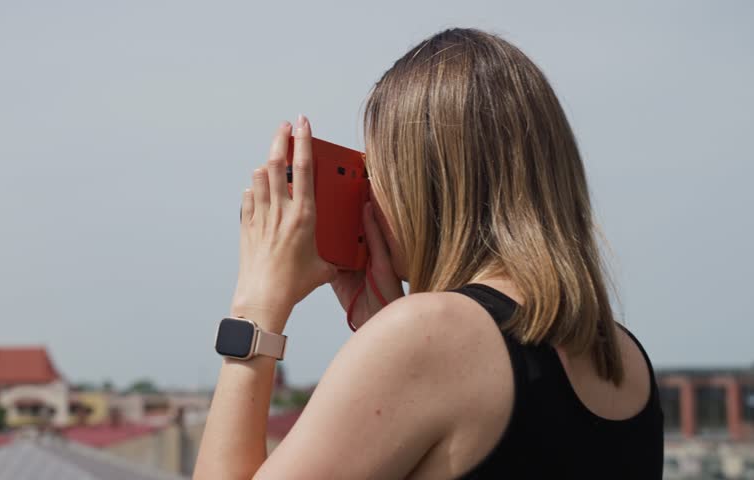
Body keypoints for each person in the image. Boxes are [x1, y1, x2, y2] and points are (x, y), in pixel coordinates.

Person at [194, 27, 664, 479]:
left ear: (423, 183)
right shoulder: (625, 356)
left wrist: (255, 312)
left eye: (375, 171)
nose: (368, 197)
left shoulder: (429, 336)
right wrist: (383, 329)